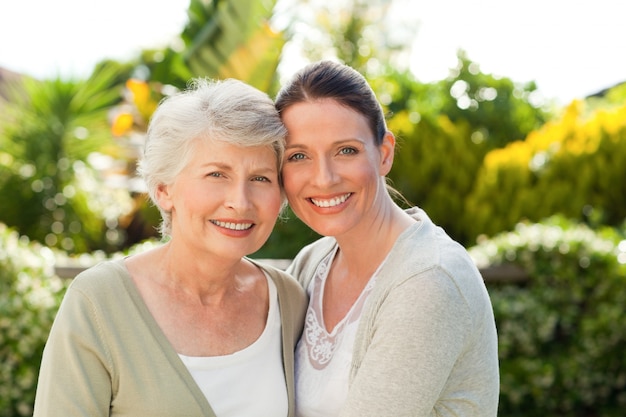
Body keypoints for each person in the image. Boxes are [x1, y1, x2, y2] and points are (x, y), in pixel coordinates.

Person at [33, 78, 306, 417]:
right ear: (164, 189)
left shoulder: (288, 299)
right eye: (216, 175)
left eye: (261, 178)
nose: (240, 201)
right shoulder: (99, 301)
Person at [275, 60, 500, 417]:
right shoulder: (312, 263)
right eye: (298, 156)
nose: (323, 178)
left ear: (384, 153)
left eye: (345, 150)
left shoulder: (429, 279)